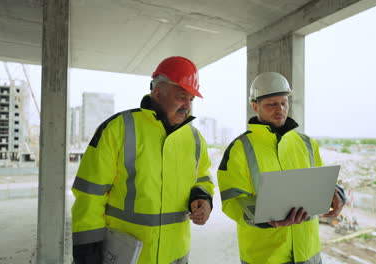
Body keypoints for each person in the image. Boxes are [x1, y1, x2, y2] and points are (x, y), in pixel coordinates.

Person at [71, 56, 215, 264]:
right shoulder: (118, 129)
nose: (187, 106)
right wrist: (88, 255)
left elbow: (202, 178)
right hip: (128, 257)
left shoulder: (195, 139)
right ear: (158, 93)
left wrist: (203, 199)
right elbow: (90, 197)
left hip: (176, 256)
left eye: (191, 100)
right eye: (182, 97)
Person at [217, 72, 346, 264]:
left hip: (308, 254)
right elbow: (232, 201)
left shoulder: (306, 143)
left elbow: (321, 184)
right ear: (255, 106)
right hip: (265, 257)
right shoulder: (240, 148)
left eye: (284, 103)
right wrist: (262, 219)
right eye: (271, 104)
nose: (280, 109)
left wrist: (337, 194)